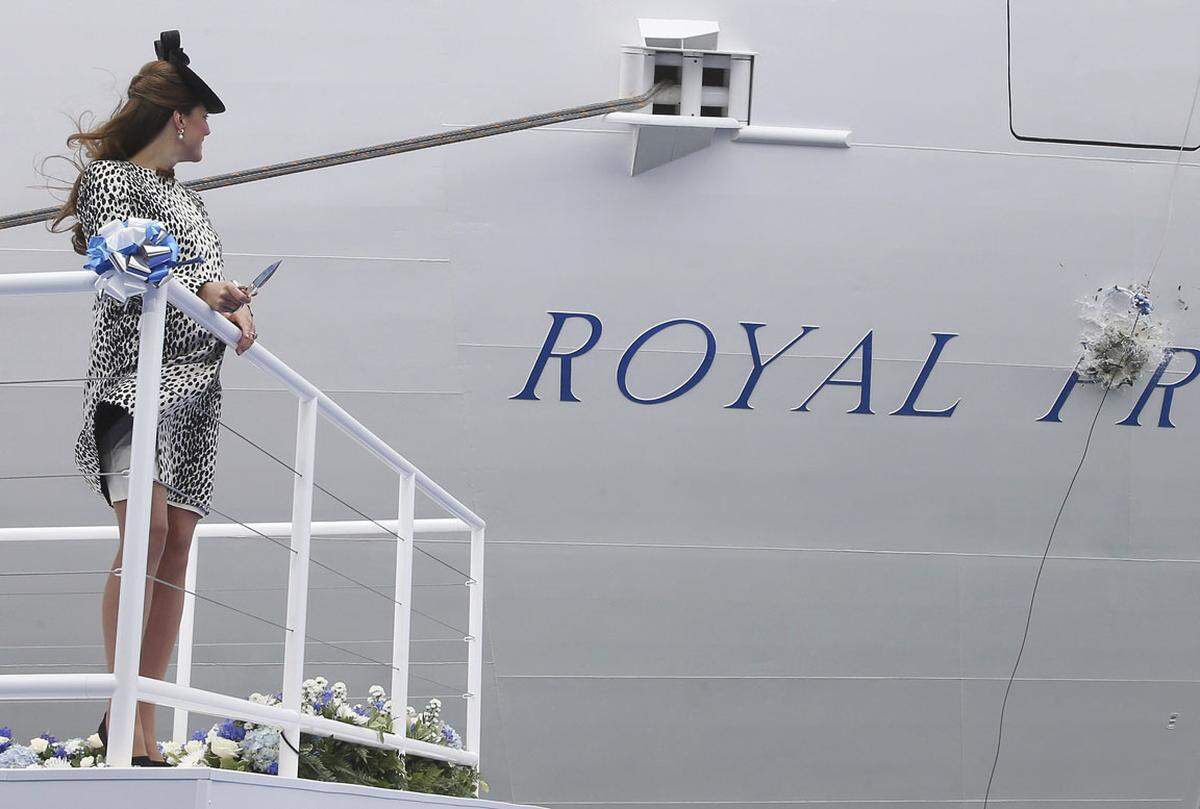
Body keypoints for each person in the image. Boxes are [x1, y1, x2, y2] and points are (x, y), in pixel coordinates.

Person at [49, 31, 255, 765]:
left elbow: (204, 273)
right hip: (132, 378)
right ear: (178, 117)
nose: (208, 132)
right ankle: (128, 718)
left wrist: (233, 304)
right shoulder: (113, 181)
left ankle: (140, 715)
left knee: (177, 544)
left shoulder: (188, 199)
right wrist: (206, 288)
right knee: (147, 535)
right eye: (205, 118)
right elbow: (125, 258)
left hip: (197, 389)